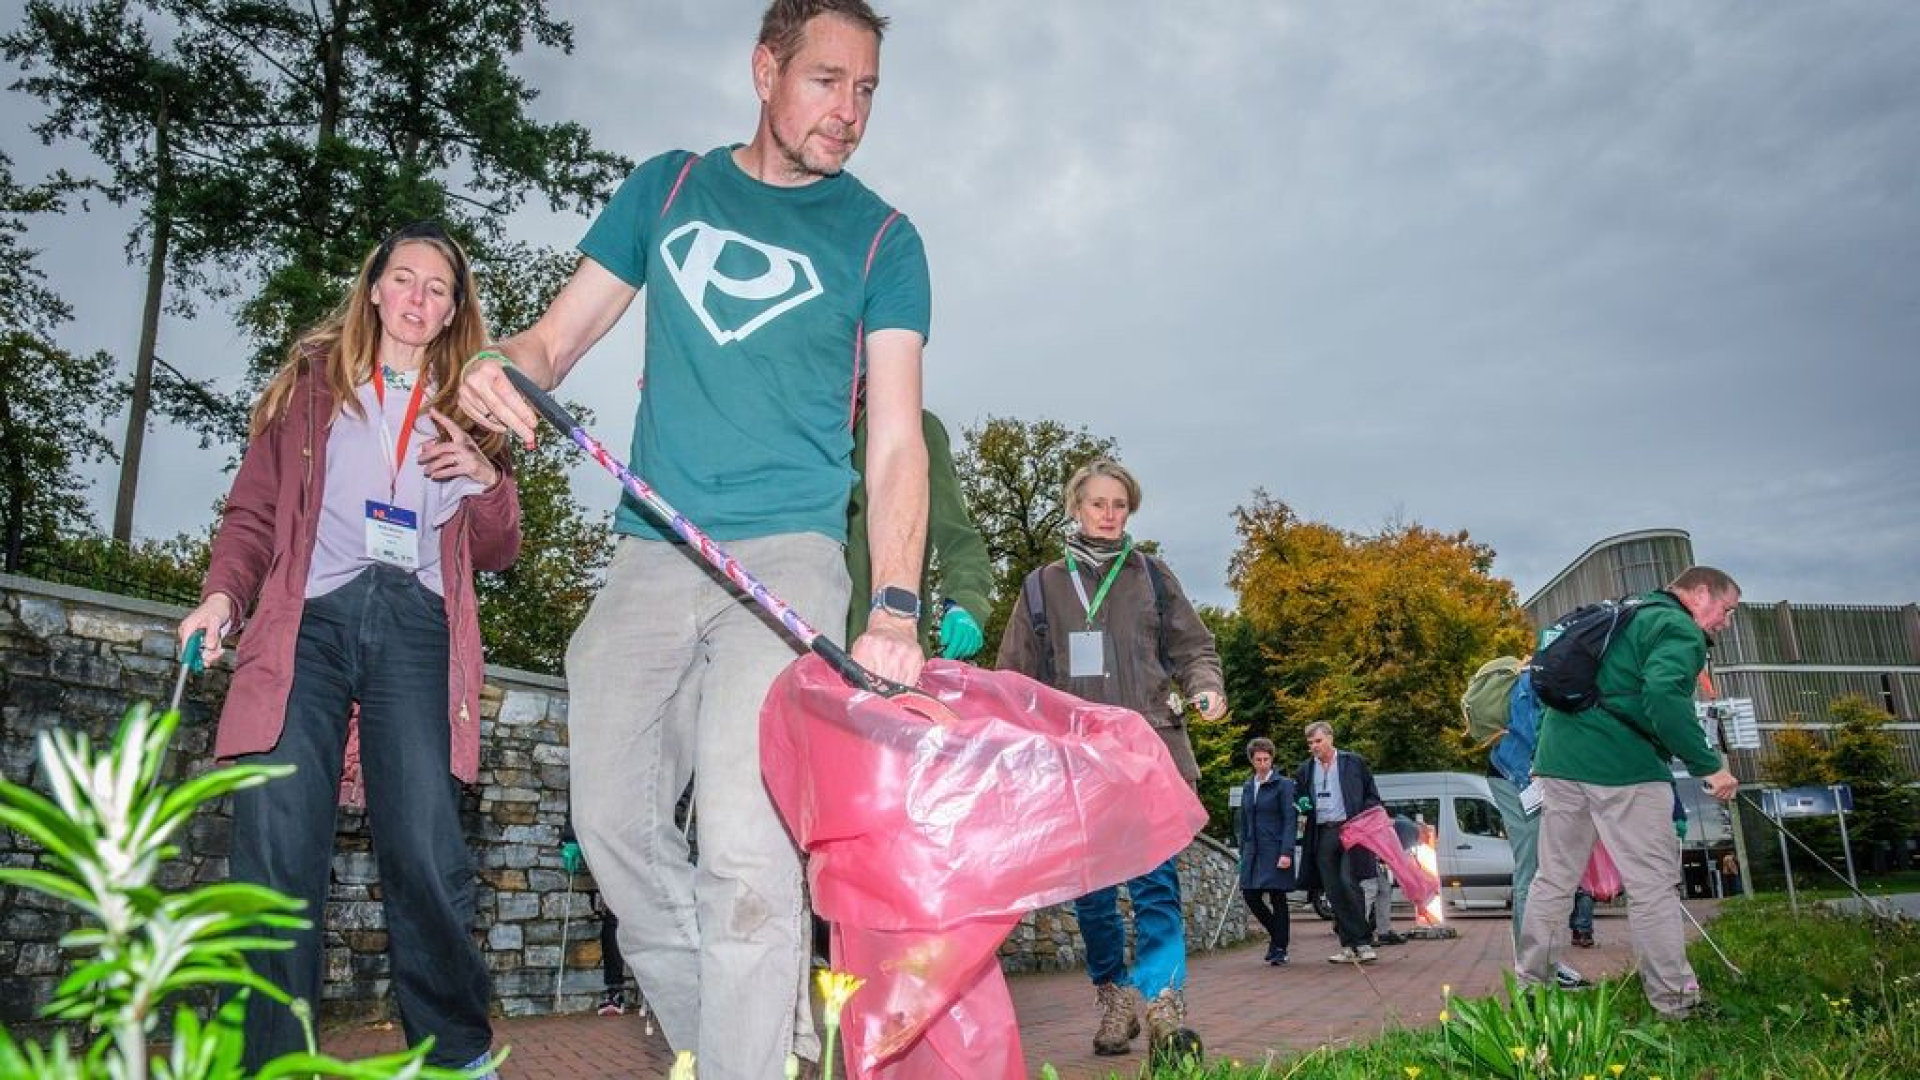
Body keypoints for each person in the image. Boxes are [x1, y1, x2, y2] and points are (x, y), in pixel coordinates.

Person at [458, 2, 931, 1073]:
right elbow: (556, 335)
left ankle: (744, 1061)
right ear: (765, 70)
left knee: (745, 845)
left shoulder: (884, 240)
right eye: (826, 81)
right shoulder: (667, 187)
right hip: (652, 550)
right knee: (613, 826)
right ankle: (748, 1029)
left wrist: (894, 602)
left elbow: (898, 440)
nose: (848, 112)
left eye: (866, 91)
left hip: (792, 562)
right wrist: (504, 363)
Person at [177, 222, 518, 1073]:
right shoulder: (314, 386)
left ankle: (454, 1053)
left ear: (452, 313)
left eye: (437, 289)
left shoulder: (476, 406)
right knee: (278, 841)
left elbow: (500, 547)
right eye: (403, 279)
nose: (417, 298)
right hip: (310, 621)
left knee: (427, 846)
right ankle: (267, 1060)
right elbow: (254, 512)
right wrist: (221, 597)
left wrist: (486, 479)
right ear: (373, 290)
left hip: (416, 627)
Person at [995, 458, 1226, 1060]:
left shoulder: (1151, 577)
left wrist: (1208, 686)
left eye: (1119, 505)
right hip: (1079, 764)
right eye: (1097, 503)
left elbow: (1194, 646)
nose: (1108, 514)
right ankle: (1114, 992)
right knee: (1094, 895)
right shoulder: (1041, 587)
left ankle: (1166, 1008)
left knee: (1156, 886)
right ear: (1076, 507)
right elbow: (1013, 677)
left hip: (1149, 754)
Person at [1517, 566, 1743, 1021]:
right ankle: (1676, 1002)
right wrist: (1709, 766)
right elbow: (1662, 695)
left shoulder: (1625, 612)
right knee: (1652, 886)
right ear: (1701, 594)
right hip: (1623, 769)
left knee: (1553, 879)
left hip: (1560, 762)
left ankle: (1531, 992)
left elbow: (1560, 687)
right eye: (1727, 609)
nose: (1726, 621)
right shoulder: (1677, 628)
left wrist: (1544, 757)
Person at [846, 407, 991, 660]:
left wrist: (965, 600)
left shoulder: (915, 428)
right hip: (795, 628)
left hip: (887, 650)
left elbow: (958, 537)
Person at [1482, 659, 1592, 985]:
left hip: (1528, 779)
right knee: (1531, 872)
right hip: (1518, 779)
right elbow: (1533, 733)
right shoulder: (1535, 678)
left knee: (1545, 870)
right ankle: (1532, 968)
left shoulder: (1550, 673)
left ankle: (1544, 962)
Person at [1294, 721, 1383, 964]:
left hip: (1350, 828)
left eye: (1318, 741)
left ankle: (1363, 942)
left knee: (1349, 881)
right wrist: (1301, 805)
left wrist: (1366, 819)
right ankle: (1347, 945)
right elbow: (1299, 799)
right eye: (1310, 743)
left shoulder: (1353, 762)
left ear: (1331, 738)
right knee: (1332, 890)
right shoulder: (1304, 770)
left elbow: (1372, 795)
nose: (1314, 747)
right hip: (1323, 832)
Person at [1237, 737, 1298, 966]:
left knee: (1277, 896)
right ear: (1252, 761)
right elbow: (1244, 820)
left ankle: (1280, 948)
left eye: (1266, 759)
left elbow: (1290, 820)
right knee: (1250, 895)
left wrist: (1287, 852)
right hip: (1253, 850)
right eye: (1258, 759)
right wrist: (1243, 849)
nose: (1263, 763)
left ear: (1272, 759)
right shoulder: (1247, 786)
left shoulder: (1283, 785)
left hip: (1276, 848)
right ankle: (1278, 937)